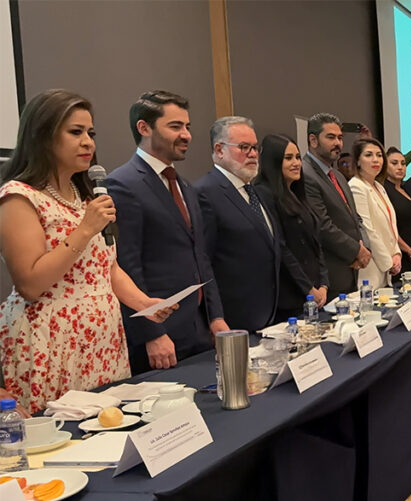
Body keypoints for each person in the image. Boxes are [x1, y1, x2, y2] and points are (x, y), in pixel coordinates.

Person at [0, 89, 174, 412]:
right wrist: (84, 230)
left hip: (102, 340)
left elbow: (107, 268)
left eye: (91, 133)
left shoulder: (85, 196)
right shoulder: (19, 197)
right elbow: (30, 284)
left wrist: (143, 303)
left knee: (109, 428)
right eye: (75, 132)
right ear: (43, 136)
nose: (88, 143)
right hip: (52, 342)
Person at [107, 90, 228, 373]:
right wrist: (152, 333)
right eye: (175, 126)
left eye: (187, 126)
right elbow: (127, 266)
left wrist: (215, 316)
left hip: (198, 330)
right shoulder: (123, 184)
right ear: (144, 128)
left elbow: (200, 257)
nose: (186, 135)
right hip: (161, 338)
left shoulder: (185, 186)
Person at [195, 116, 280, 333]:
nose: (253, 154)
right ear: (219, 150)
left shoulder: (255, 191)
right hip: (232, 319)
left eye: (255, 147)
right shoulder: (205, 192)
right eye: (243, 147)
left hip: (268, 313)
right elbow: (203, 262)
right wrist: (214, 317)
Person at [253, 134, 328, 322]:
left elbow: (315, 242)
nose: (296, 163)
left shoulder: (297, 192)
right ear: (274, 161)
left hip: (315, 292)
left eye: (297, 157)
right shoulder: (263, 193)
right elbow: (281, 248)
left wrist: (324, 284)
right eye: (288, 158)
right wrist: (308, 289)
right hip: (290, 296)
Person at [301, 113, 370, 296]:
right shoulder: (305, 174)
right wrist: (356, 251)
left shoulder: (337, 175)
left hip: (351, 269)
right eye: (331, 137)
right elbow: (322, 225)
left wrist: (365, 247)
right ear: (313, 140)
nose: (338, 143)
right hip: (330, 274)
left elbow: (354, 216)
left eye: (340, 138)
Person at [348, 138, 400, 290]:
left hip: (388, 262)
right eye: (368, 155)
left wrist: (397, 253)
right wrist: (388, 263)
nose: (376, 159)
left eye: (379, 155)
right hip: (371, 266)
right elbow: (367, 230)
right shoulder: (356, 186)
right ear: (358, 161)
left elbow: (390, 226)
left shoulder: (378, 186)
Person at [381, 147, 411, 273]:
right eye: (394, 163)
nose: (400, 167)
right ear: (384, 166)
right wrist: (409, 251)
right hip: (396, 254)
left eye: (403, 163)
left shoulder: (407, 189)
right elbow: (388, 228)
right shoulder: (383, 191)